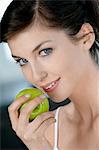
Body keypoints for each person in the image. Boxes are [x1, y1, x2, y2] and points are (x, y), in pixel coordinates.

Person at [0, 0, 99, 149]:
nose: (36, 76)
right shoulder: (47, 131)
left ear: (86, 37)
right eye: (22, 61)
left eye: (45, 51)